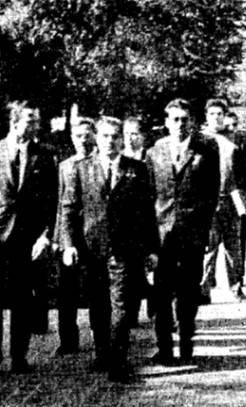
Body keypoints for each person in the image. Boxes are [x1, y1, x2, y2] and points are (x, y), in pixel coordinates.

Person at [61, 116, 159, 382]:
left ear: (121, 139)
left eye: (115, 136)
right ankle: (102, 351)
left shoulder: (136, 169)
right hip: (92, 249)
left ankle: (118, 360)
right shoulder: (81, 169)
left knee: (122, 306)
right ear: (96, 138)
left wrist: (151, 249)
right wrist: (68, 244)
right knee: (98, 304)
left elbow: (146, 212)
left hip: (125, 249)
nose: (110, 141)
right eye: (104, 136)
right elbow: (69, 209)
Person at [146, 98, 219, 366]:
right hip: (162, 235)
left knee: (188, 293)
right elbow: (149, 196)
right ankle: (164, 349)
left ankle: (186, 344)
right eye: (174, 119)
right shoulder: (155, 152)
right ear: (166, 123)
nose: (179, 124)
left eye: (184, 119)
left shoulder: (206, 148)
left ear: (192, 121)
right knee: (162, 293)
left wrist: (208, 227)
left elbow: (212, 193)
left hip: (193, 233)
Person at [0, 100, 58, 372]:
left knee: (22, 300)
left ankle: (19, 358)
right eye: (30, 121)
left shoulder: (45, 155)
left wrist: (45, 236)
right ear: (14, 122)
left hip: (27, 239)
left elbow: (51, 201)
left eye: (37, 121)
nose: (37, 126)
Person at [53, 117, 96, 356]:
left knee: (95, 289)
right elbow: (59, 204)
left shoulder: (99, 164)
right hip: (68, 235)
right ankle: (68, 340)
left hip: (93, 233)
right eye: (78, 136)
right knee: (66, 290)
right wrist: (57, 237)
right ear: (72, 138)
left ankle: (102, 337)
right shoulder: (64, 166)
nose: (83, 140)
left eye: (87, 135)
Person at [200, 100, 246, 303]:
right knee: (209, 248)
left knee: (233, 246)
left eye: (220, 113)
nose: (216, 117)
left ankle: (236, 286)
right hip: (208, 201)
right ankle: (203, 289)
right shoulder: (200, 140)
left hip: (231, 199)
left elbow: (244, 171)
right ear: (206, 116)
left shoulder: (235, 138)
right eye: (212, 114)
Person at [122, 116, 154, 323]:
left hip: (148, 219)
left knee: (152, 268)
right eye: (127, 134)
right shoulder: (118, 158)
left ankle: (155, 310)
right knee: (130, 271)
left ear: (142, 136)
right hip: (126, 223)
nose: (130, 138)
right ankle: (130, 315)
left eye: (135, 133)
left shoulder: (150, 158)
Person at [224, 111, 246, 282]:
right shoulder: (213, 141)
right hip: (218, 195)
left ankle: (238, 275)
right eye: (227, 126)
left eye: (234, 125)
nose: (231, 129)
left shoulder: (245, 141)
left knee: (239, 236)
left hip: (238, 195)